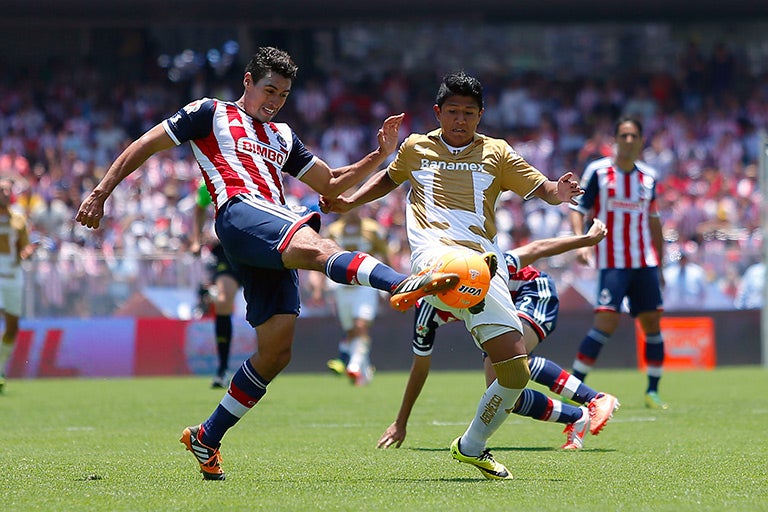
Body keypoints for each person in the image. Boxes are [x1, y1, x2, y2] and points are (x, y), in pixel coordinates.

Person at [75, 46, 461, 480]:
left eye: (283, 94)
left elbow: (330, 182)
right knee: (318, 245)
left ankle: (206, 436)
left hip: (268, 231)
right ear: (247, 81)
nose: (275, 100)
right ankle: (402, 283)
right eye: (269, 90)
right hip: (240, 213)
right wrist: (100, 191)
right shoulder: (210, 112)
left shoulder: (282, 135)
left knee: (275, 352)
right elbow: (146, 144)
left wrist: (380, 154)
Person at [321, 71, 584, 480]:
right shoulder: (414, 148)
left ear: (480, 116)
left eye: (469, 113)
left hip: (485, 264)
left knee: (515, 371)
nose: (460, 120)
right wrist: (347, 201)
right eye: (453, 112)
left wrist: (559, 191)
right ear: (438, 113)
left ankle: (472, 445)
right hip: (435, 252)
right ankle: (423, 282)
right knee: (454, 265)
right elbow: (385, 182)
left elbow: (543, 188)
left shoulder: (497, 153)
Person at [377, 219, 620, 451]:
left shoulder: (473, 269)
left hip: (533, 292)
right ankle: (578, 417)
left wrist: (586, 239)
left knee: (511, 359)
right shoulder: (426, 312)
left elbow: (536, 249)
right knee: (502, 393)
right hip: (504, 317)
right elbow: (420, 368)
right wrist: (401, 421)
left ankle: (595, 398)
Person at [568, 115, 668, 410]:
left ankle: (652, 391)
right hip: (612, 261)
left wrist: (660, 265)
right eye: (622, 135)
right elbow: (579, 207)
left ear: (640, 141)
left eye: (633, 136)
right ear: (615, 140)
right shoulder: (598, 172)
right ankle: (574, 385)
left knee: (652, 322)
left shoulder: (648, 177)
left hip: (644, 262)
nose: (627, 141)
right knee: (606, 322)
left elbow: (654, 222)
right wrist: (579, 241)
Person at [322, 208, 392, 385]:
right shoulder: (333, 230)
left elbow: (385, 255)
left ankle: (353, 365)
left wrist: (390, 284)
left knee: (361, 325)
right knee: (352, 330)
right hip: (342, 286)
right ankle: (364, 369)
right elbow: (322, 257)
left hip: (366, 286)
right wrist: (319, 283)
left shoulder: (373, 229)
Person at [191, 180, 244, 389]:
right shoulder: (207, 183)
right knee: (223, 302)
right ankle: (222, 370)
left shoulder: (246, 172)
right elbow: (199, 208)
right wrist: (196, 239)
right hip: (225, 251)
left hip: (253, 245)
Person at [0, 177, 36, 393]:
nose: (5, 193)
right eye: (1, 190)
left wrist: (28, 251)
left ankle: (0, 368)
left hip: (13, 276)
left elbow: (25, 247)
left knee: (13, 326)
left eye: (7, 190)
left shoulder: (18, 220)